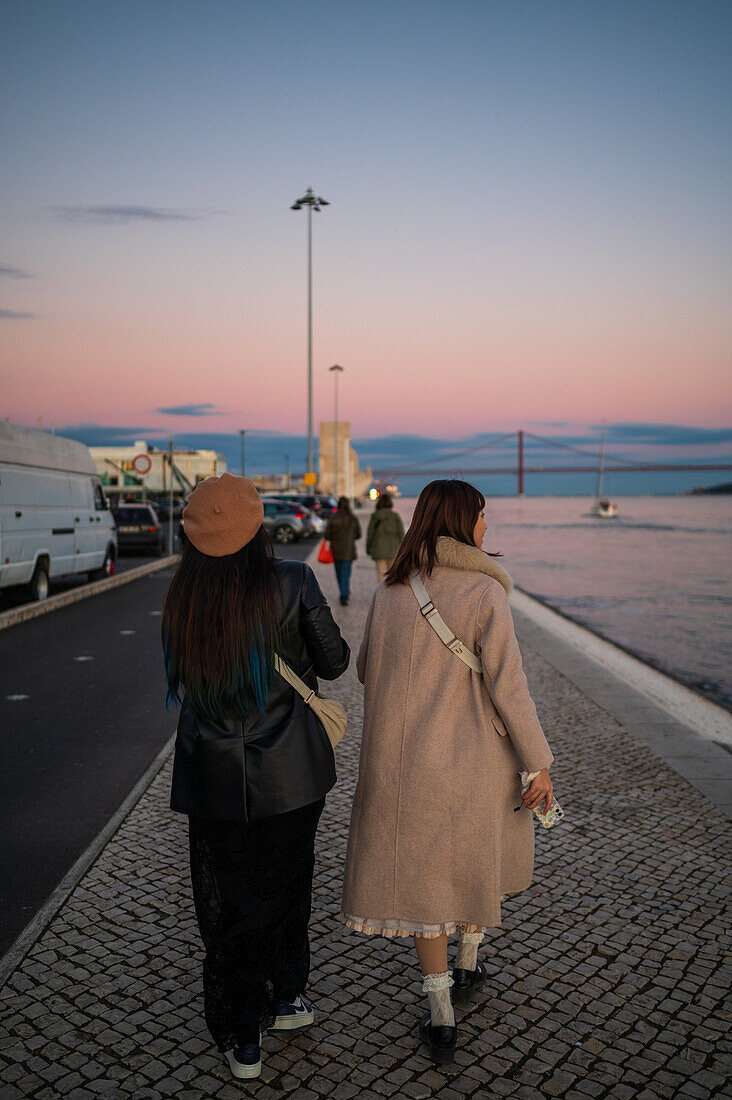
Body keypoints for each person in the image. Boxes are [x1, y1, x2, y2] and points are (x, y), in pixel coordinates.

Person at [340, 479, 554, 1064]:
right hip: (471, 761)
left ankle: (440, 1014)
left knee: (425, 881)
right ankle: (469, 963)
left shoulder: (389, 590)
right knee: (469, 857)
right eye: (482, 515)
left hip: (401, 766)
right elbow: (510, 689)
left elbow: (364, 671)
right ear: (463, 521)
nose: (488, 525)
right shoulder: (486, 592)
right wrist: (539, 761)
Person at [163, 473, 349, 1081]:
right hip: (291, 771)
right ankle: (288, 996)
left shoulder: (183, 594)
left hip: (211, 772)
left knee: (232, 898)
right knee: (288, 881)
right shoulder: (292, 581)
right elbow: (335, 661)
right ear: (255, 527)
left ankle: (243, 1033)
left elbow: (185, 680)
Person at [324, 496, 362, 606]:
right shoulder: (352, 518)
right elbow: (358, 534)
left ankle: (343, 592)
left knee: (339, 572)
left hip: (336, 550)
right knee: (346, 572)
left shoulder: (333, 518)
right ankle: (344, 594)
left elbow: (327, 535)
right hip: (348, 550)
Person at [365, 493, 405, 581]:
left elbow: (370, 534)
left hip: (379, 549)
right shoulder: (395, 516)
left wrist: (368, 549)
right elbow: (401, 533)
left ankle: (382, 594)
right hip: (394, 549)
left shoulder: (375, 516)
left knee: (381, 577)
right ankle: (392, 594)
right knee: (393, 575)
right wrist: (403, 549)